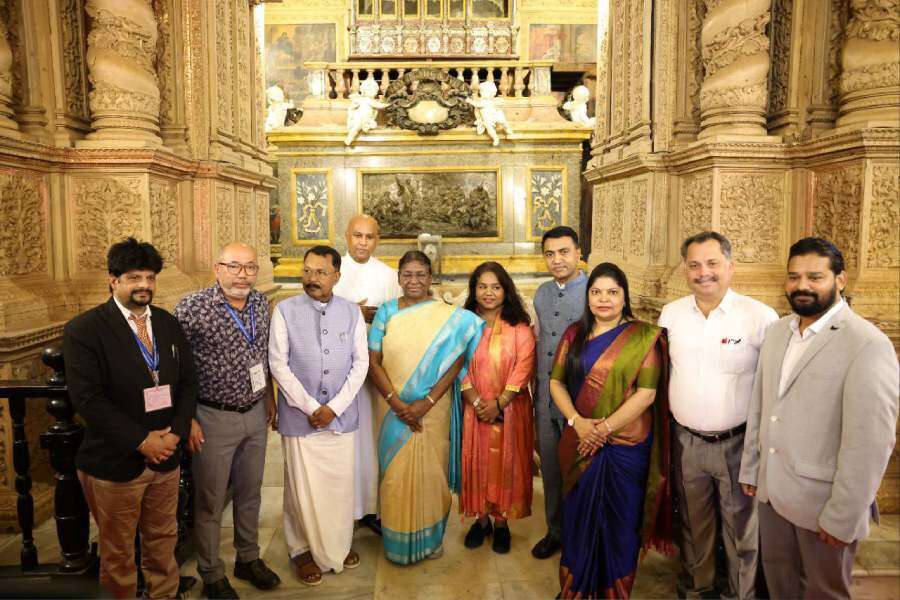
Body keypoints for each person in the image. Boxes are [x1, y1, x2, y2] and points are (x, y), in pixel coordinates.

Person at [739, 237, 899, 599]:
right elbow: (761, 407)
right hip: (772, 496)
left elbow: (870, 443)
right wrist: (752, 469)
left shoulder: (867, 344)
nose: (802, 286)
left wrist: (842, 516)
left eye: (815, 276)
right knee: (781, 588)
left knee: (823, 593)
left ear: (840, 279)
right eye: (794, 277)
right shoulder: (779, 331)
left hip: (823, 507)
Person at [63, 238, 197, 599]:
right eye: (134, 277)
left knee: (163, 541)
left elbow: (188, 383)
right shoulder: (85, 330)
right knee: (119, 552)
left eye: (151, 277)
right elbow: (88, 399)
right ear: (113, 280)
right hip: (115, 462)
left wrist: (176, 434)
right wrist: (142, 441)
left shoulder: (167, 324)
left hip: (166, 457)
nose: (144, 286)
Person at [658, 231, 778, 600]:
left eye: (712, 263)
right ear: (684, 270)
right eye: (694, 265)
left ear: (730, 266)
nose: (703, 272)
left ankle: (741, 595)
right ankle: (698, 590)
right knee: (694, 527)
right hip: (686, 442)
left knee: (742, 529)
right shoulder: (672, 314)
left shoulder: (760, 317)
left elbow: (772, 387)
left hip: (738, 444)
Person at [550, 262, 672, 599]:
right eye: (597, 292)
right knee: (578, 519)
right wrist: (577, 422)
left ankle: (614, 593)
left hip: (625, 446)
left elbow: (647, 394)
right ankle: (575, 589)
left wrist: (601, 429)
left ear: (624, 297)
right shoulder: (574, 334)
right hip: (579, 441)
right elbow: (556, 382)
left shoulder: (643, 337)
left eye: (612, 292)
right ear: (588, 297)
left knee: (620, 524)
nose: (604, 299)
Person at [174, 242, 280, 599]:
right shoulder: (193, 308)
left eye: (250, 267)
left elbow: (263, 358)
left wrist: (268, 398)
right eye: (234, 266)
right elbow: (178, 370)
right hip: (211, 416)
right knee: (211, 500)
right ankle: (211, 571)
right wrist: (187, 419)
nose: (242, 275)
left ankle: (247, 558)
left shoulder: (261, 305)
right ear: (217, 268)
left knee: (251, 491)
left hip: (253, 412)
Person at [367, 250, 482, 564]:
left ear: (430, 278)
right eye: (408, 274)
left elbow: (458, 359)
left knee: (433, 473)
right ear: (399, 277)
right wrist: (396, 401)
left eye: (421, 274)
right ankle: (396, 543)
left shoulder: (449, 316)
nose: (414, 280)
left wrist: (426, 402)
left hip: (433, 409)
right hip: (392, 409)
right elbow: (372, 361)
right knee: (394, 477)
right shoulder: (386, 312)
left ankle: (431, 541)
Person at [268, 245, 368, 586]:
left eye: (321, 272)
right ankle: (301, 550)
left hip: (341, 418)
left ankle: (336, 547)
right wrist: (312, 408)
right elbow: (278, 364)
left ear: (336, 276)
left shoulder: (352, 312)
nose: (312, 278)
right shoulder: (284, 310)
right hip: (301, 418)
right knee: (300, 488)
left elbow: (361, 364)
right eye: (308, 271)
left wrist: (333, 408)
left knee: (338, 488)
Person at [332, 214, 402, 532]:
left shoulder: (388, 276)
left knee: (373, 438)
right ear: (347, 236)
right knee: (346, 439)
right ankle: (346, 506)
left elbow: (396, 323)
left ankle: (373, 507)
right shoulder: (332, 271)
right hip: (338, 370)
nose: (362, 242)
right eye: (357, 235)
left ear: (377, 240)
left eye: (369, 237)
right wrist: (351, 313)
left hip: (376, 369)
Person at [460, 262, 536, 554]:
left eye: (495, 287)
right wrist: (479, 402)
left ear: (506, 290)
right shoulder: (464, 323)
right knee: (477, 462)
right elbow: (456, 364)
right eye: (482, 287)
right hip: (474, 408)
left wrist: (500, 402)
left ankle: (502, 523)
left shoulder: (519, 326)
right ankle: (481, 521)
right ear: (474, 290)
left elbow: (524, 365)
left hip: (511, 409)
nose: (489, 293)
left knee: (507, 464)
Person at [531, 226, 588, 559]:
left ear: (579, 253)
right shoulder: (541, 293)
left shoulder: (595, 292)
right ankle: (555, 531)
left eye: (564, 252)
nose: (557, 260)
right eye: (550, 254)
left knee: (579, 471)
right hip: (544, 399)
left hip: (581, 402)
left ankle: (582, 535)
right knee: (551, 469)